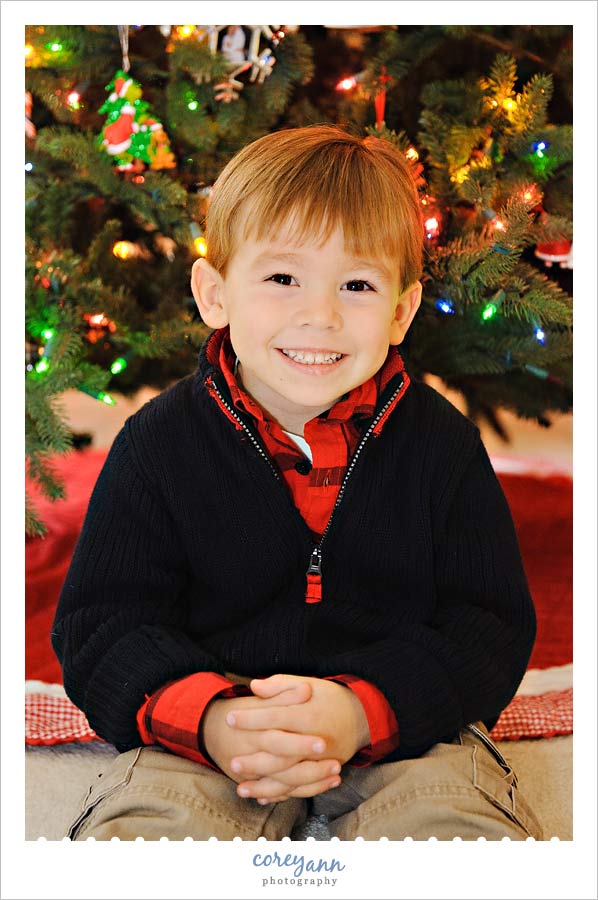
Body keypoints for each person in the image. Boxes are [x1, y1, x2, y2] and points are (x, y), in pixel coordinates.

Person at [52, 125, 543, 841]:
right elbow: (103, 625)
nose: (321, 315)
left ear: (402, 312)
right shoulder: (158, 444)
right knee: (149, 831)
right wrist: (211, 717)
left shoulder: (440, 445)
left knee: (451, 824)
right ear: (214, 294)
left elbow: (489, 624)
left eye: (357, 284)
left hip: (403, 725)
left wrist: (363, 709)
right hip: (209, 736)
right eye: (283, 279)